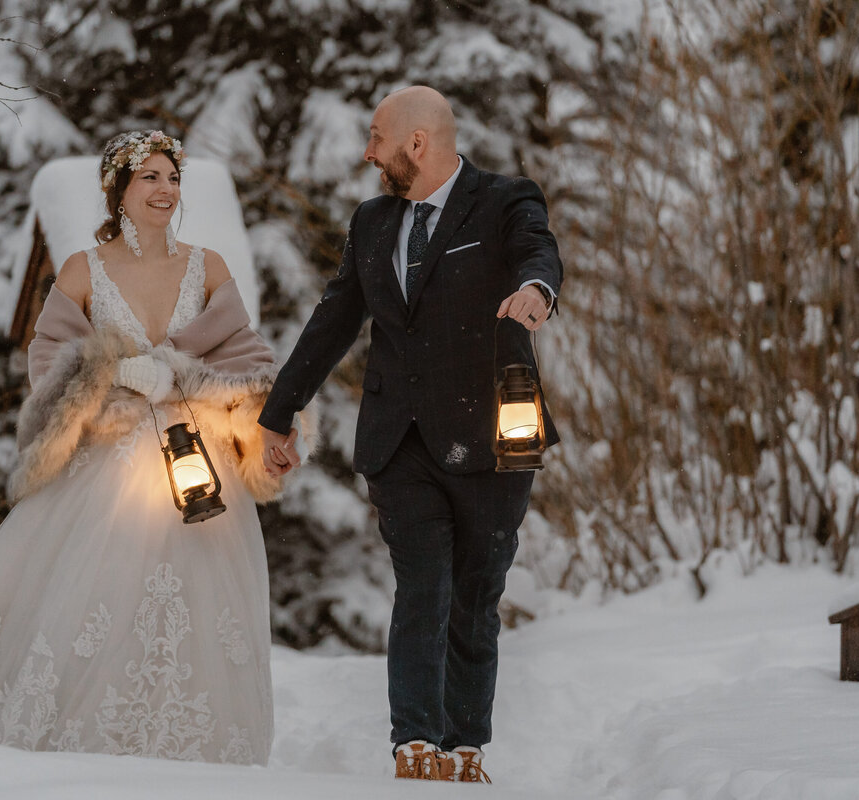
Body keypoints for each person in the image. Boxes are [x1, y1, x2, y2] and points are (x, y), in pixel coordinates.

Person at [0, 131, 314, 766]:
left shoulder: (209, 265)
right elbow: (49, 361)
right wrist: (110, 375)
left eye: (172, 178)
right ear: (119, 192)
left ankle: (185, 741)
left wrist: (187, 378)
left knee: (197, 601)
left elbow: (247, 360)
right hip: (105, 459)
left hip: (196, 456)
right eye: (150, 179)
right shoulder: (85, 267)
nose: (166, 190)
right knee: (91, 592)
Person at [257, 87, 562, 783]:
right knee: (422, 585)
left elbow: (536, 253)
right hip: (399, 441)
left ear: (415, 145)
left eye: (376, 138)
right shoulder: (371, 221)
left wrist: (538, 291)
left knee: (477, 594)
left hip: (492, 438)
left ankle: (464, 747)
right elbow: (336, 318)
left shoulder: (506, 199)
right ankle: (415, 743)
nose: (368, 153)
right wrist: (279, 413)